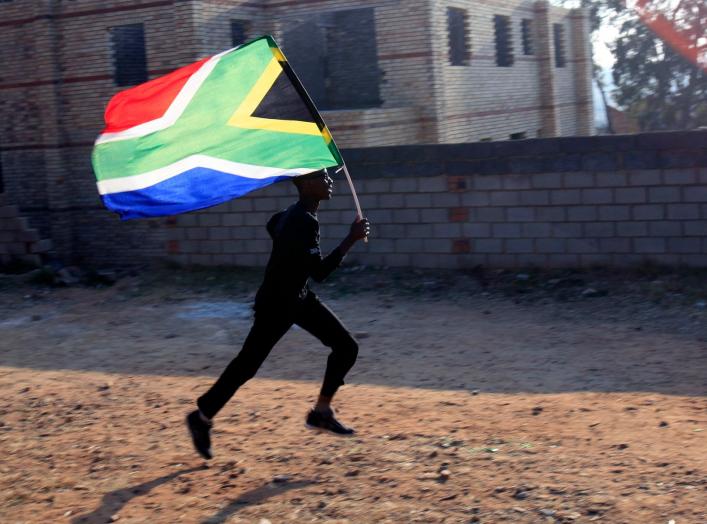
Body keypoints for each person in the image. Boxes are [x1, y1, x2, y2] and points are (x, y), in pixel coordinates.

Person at [187, 167, 370, 459]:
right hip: (277, 304)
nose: (330, 180)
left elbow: (272, 225)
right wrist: (351, 238)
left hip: (297, 298)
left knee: (346, 347)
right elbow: (320, 272)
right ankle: (201, 417)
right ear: (308, 185)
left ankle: (321, 411)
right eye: (324, 177)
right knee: (247, 365)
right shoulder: (303, 221)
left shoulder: (292, 215)